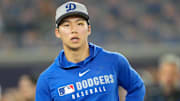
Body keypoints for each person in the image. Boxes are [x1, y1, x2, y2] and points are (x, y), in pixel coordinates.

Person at [35, 1, 145, 101]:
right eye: (67, 25)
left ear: (88, 29)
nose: (74, 30)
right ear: (57, 32)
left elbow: (136, 87)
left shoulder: (113, 61)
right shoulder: (47, 80)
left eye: (79, 24)